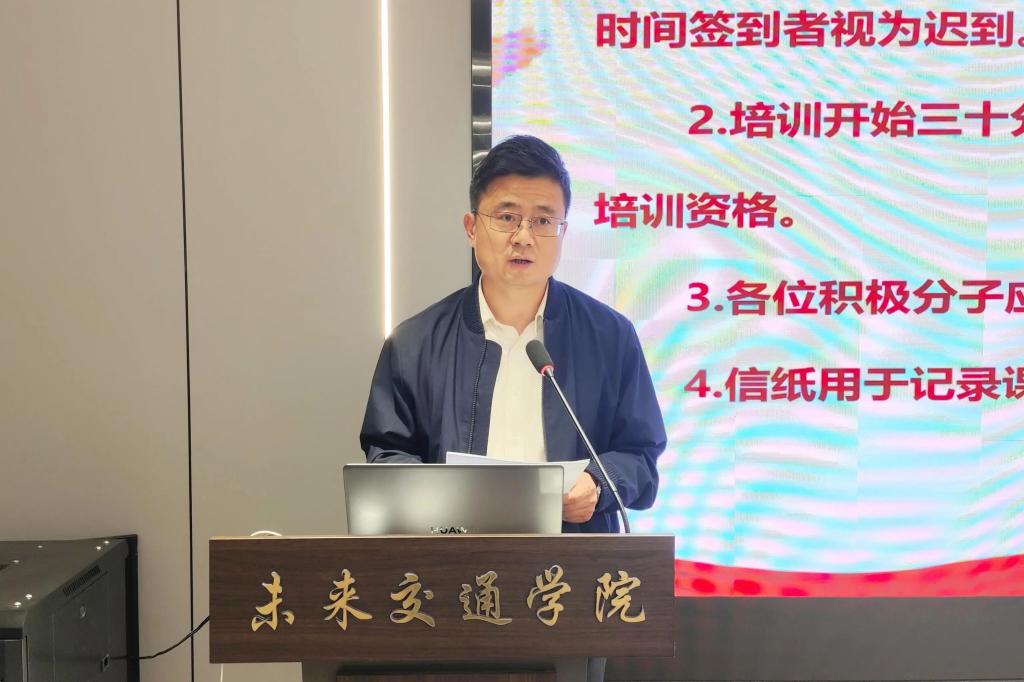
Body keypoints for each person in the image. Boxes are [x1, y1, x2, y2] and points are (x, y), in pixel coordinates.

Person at [359, 134, 666, 534]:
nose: (524, 237)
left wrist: (598, 483)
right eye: (506, 218)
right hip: (457, 560)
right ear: (472, 228)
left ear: (563, 232)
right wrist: (437, 496)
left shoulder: (610, 338)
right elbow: (386, 455)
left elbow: (641, 457)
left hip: (572, 563)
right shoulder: (415, 344)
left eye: (543, 221)